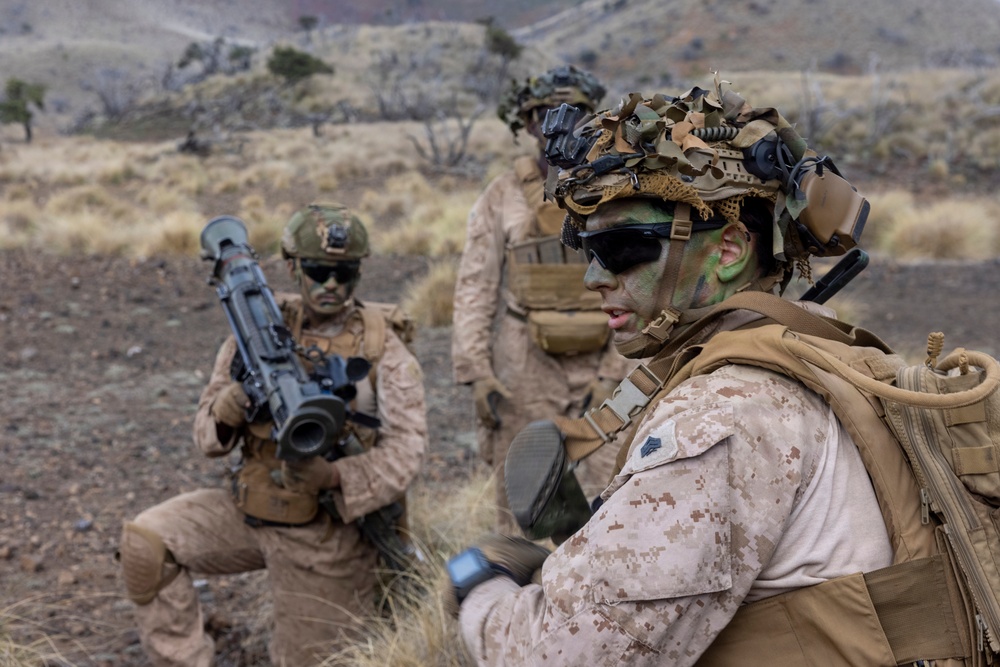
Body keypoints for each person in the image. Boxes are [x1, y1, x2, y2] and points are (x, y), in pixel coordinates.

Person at [448, 82, 960, 665]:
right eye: (586, 249)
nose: (593, 278)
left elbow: (559, 656)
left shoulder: (722, 416)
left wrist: (480, 592)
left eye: (621, 248)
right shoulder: (816, 347)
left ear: (729, 250)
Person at [118, 203, 427, 667]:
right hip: (251, 507)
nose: (330, 285)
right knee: (147, 544)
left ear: (359, 274)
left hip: (326, 534)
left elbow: (407, 453)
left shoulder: (384, 350)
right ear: (292, 267)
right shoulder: (256, 331)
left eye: (343, 274)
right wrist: (225, 411)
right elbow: (206, 439)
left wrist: (333, 477)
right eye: (317, 271)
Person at [452, 65, 639, 534]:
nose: (557, 122)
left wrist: (615, 373)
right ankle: (521, 578)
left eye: (574, 111)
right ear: (528, 121)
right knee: (523, 493)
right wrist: (477, 373)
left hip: (604, 351)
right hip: (524, 361)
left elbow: (639, 283)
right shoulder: (503, 194)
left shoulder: (618, 187)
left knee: (610, 491)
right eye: (544, 112)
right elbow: (475, 285)